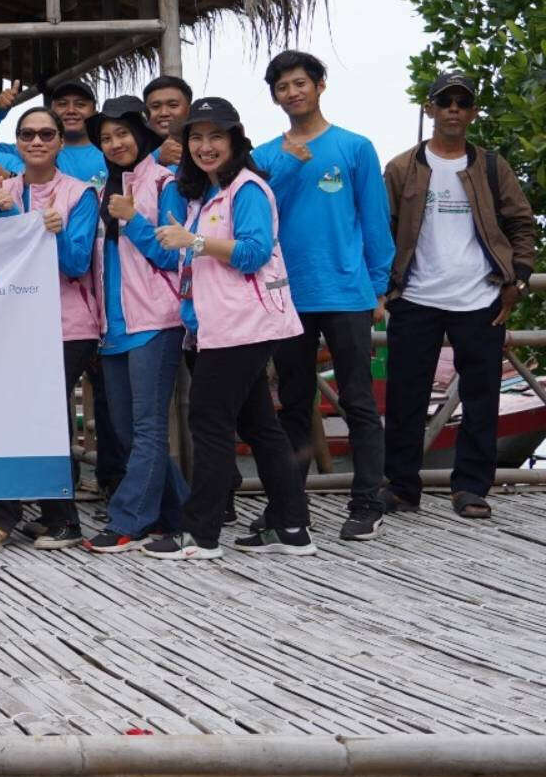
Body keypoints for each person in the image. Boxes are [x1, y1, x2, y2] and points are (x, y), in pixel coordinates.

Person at [131, 96, 313, 560]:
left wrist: (193, 240)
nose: (206, 146)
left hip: (242, 327)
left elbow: (253, 252)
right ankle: (291, 526)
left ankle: (201, 534)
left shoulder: (248, 189)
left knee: (209, 425)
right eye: (196, 137)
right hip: (221, 327)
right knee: (261, 426)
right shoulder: (208, 193)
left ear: (236, 140)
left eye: (217, 136)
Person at [380, 71, 537, 520]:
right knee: (405, 396)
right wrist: (386, 289)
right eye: (444, 100)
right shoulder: (401, 167)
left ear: (472, 112)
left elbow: (522, 225)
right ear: (429, 109)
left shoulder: (491, 166)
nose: (453, 108)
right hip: (415, 298)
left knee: (482, 397)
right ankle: (402, 487)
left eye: (462, 102)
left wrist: (519, 280)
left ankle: (471, 488)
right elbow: (381, 229)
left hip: (480, 299)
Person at [252, 49, 393, 541]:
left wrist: (379, 287)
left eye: (299, 83)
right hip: (288, 295)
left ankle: (368, 501)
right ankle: (290, 507)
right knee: (292, 403)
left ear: (319, 85)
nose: (292, 93)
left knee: (358, 401)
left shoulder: (356, 147)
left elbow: (375, 221)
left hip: (347, 293)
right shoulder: (267, 155)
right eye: (282, 87)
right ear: (274, 97)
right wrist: (288, 165)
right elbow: (262, 214)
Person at [0, 108, 102, 549]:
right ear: (16, 142)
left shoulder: (79, 193)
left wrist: (38, 226)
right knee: (21, 415)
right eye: (28, 134)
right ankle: (45, 513)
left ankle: (65, 520)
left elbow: (75, 264)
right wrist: (10, 213)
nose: (36, 141)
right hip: (14, 324)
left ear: (59, 142)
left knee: (50, 418)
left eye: (46, 134)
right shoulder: (0, 191)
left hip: (67, 325)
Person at [85, 97, 189, 553]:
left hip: (155, 320)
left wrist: (134, 219)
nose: (115, 143)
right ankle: (180, 514)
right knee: (126, 431)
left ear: (142, 134)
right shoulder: (100, 190)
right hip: (112, 325)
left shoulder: (165, 182)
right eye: (105, 138)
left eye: (122, 133)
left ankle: (128, 521)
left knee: (147, 428)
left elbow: (171, 253)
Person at [141, 75, 193, 168]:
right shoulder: (130, 149)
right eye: (155, 107)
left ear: (189, 110)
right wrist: (156, 157)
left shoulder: (204, 145)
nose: (164, 113)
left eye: (173, 105)